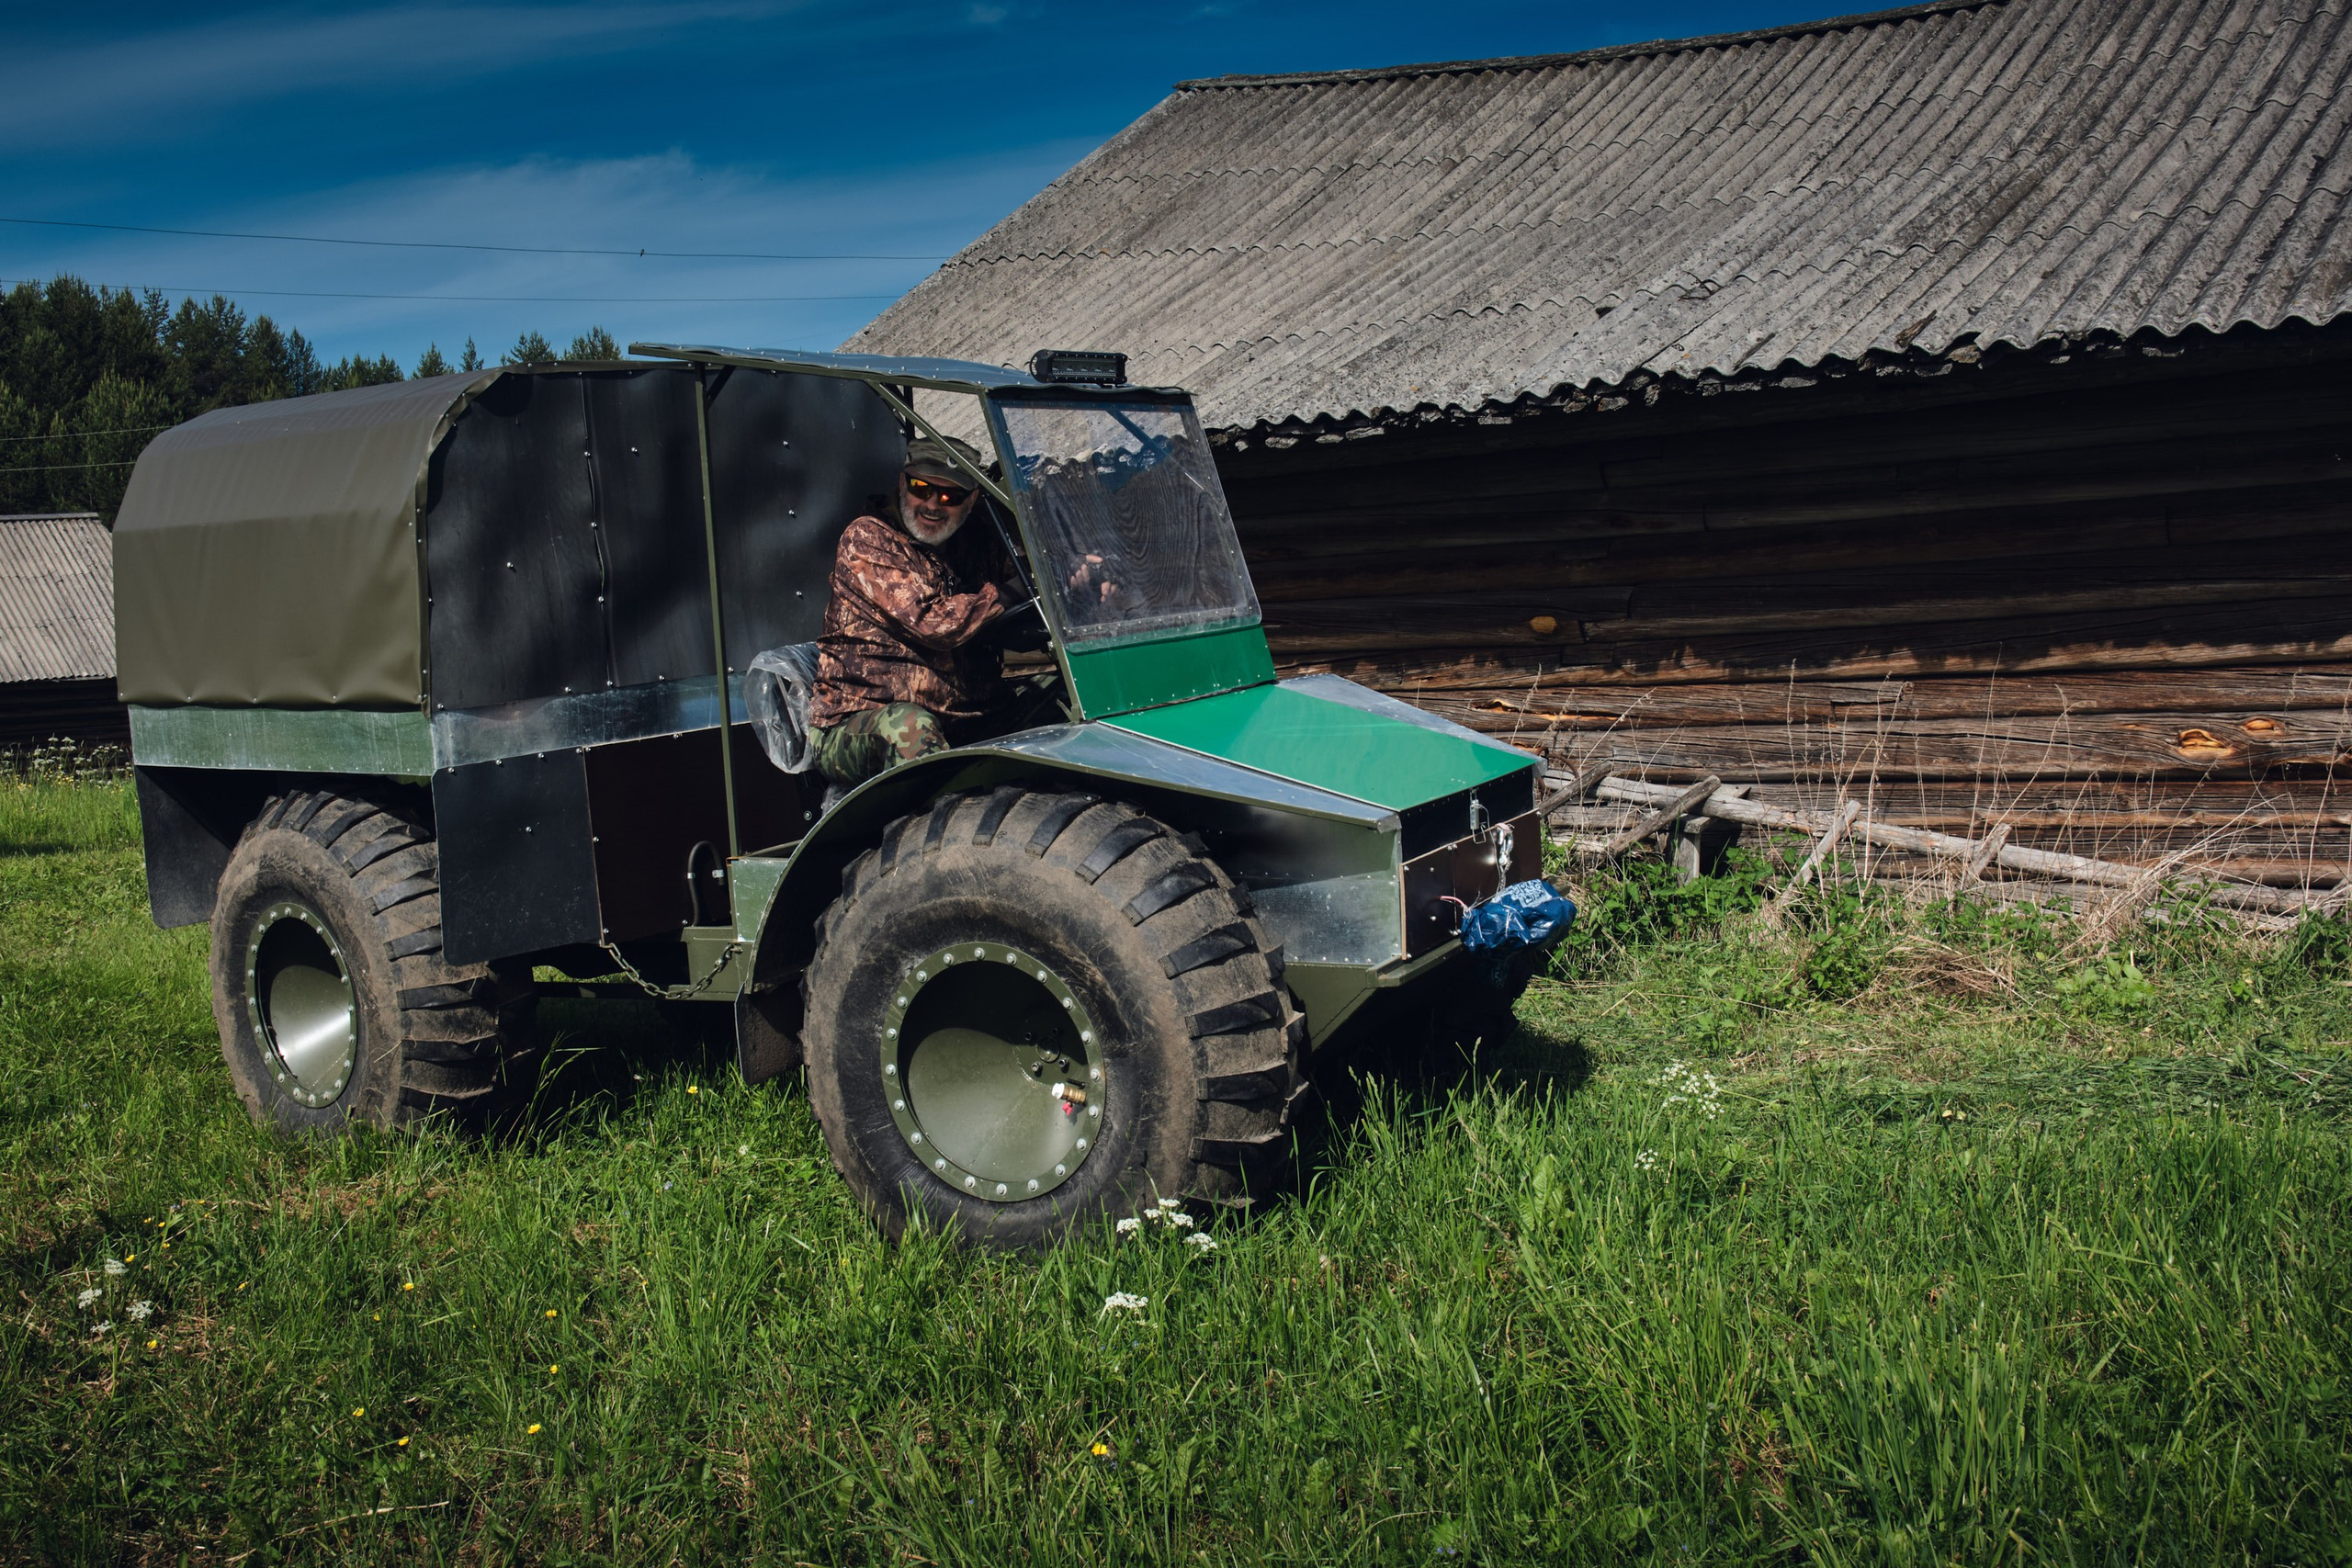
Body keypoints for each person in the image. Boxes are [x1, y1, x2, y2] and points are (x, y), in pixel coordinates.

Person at [807, 435, 1057, 791]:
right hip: (863, 721)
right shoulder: (867, 538)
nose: (932, 504)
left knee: (1057, 698)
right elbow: (934, 624)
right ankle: (934, 841)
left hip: (969, 713)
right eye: (921, 487)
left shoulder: (975, 541)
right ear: (902, 482)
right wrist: (1012, 591)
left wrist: (1070, 578)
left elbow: (1030, 572)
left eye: (949, 496)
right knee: (908, 728)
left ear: (971, 501)